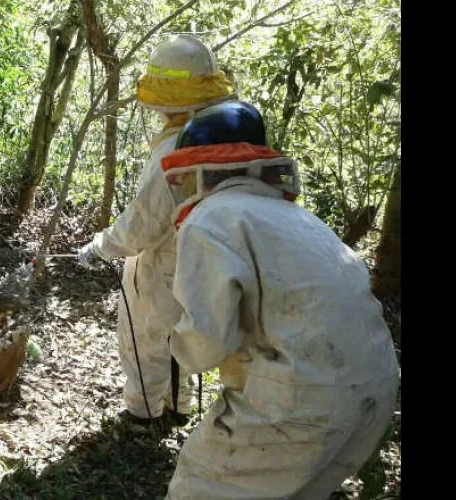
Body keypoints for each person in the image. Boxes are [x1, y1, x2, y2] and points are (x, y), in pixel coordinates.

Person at [159, 100, 399, 499]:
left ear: (198, 171)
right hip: (374, 389)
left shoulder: (211, 219)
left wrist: (175, 343)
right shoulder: (302, 220)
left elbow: (204, 346)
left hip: (300, 400)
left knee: (199, 486)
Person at [77, 34, 237, 422]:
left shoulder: (176, 149)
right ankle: (178, 409)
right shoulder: (226, 132)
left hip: (166, 260)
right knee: (181, 336)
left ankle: (143, 416)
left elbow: (143, 225)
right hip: (208, 260)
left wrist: (101, 246)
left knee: (146, 338)